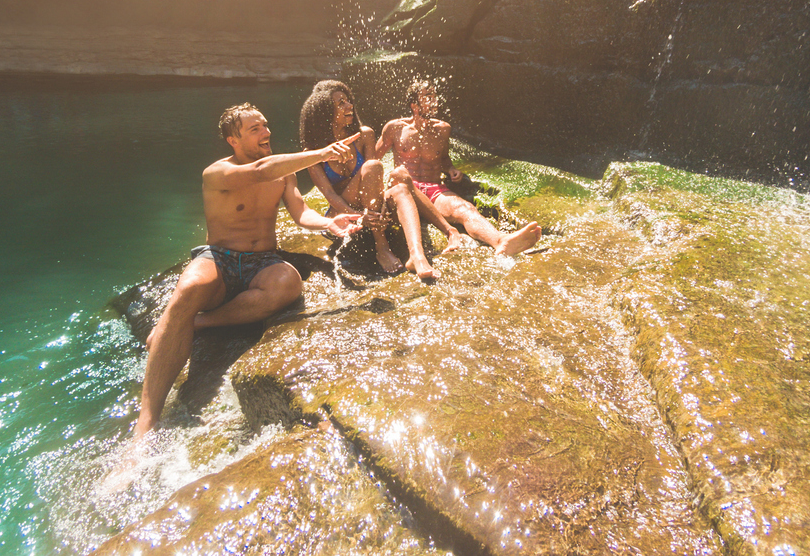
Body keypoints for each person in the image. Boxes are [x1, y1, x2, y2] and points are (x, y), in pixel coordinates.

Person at [131, 103, 362, 447]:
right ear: (232, 140)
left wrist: (328, 222)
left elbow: (299, 211)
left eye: (265, 125)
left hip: (261, 261)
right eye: (254, 129)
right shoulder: (217, 173)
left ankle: (197, 324)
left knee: (288, 283)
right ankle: (144, 427)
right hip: (220, 259)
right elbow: (259, 172)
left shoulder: (283, 172)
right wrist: (323, 153)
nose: (266, 132)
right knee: (190, 286)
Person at [299, 80, 465, 280]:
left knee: (401, 183)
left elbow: (372, 179)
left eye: (348, 101)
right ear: (325, 111)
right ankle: (382, 247)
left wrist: (380, 204)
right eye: (341, 103)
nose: (349, 106)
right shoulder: (313, 152)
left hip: (371, 206)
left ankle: (419, 255)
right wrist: (358, 215)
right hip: (343, 210)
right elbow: (329, 193)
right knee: (372, 166)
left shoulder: (365, 135)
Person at [378, 81, 542, 258]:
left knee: (466, 208)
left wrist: (450, 169)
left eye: (434, 96)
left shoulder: (442, 129)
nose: (434, 101)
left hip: (434, 191)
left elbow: (444, 159)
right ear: (414, 104)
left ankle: (500, 241)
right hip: (405, 192)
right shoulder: (395, 128)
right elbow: (373, 159)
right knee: (403, 179)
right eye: (428, 96)